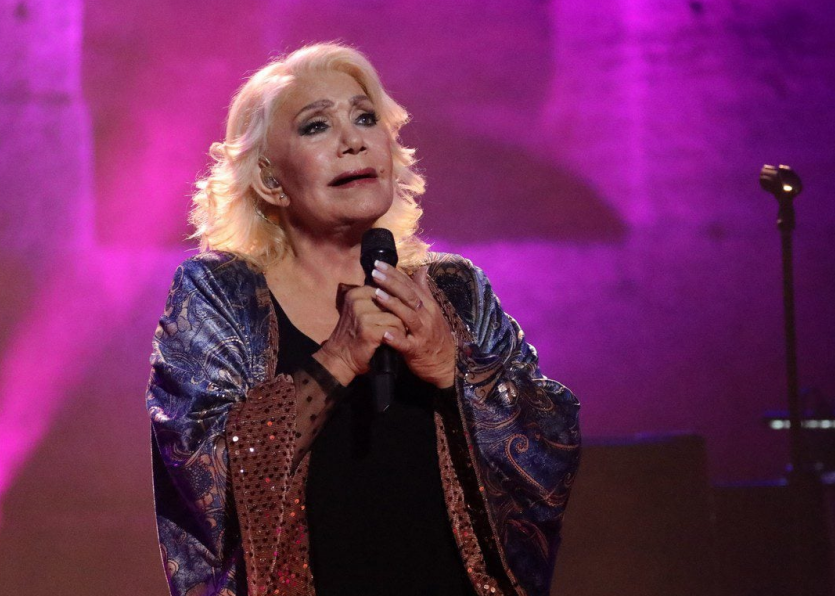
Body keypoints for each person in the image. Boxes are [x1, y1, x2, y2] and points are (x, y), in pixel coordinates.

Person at [146, 43, 580, 596]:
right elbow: (201, 470)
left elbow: (549, 444)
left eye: (365, 118)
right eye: (316, 126)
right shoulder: (220, 293)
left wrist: (452, 368)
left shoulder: (456, 289)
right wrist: (338, 358)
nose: (353, 140)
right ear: (271, 180)